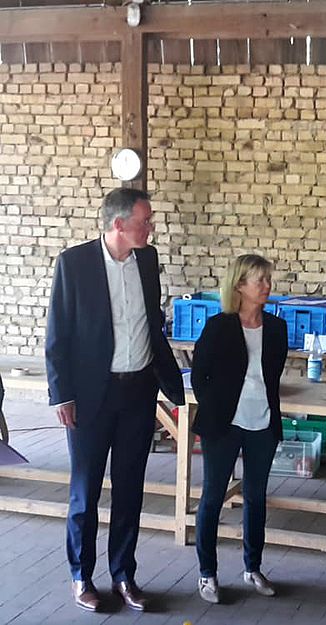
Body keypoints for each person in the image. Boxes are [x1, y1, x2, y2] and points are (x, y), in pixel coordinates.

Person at [45, 187, 185, 612]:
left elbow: (151, 321)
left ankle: (124, 574)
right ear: (119, 224)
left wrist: (167, 378)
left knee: (130, 488)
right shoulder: (74, 263)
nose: (152, 227)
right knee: (85, 490)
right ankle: (81, 576)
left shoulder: (148, 259)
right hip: (90, 395)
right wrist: (62, 395)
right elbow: (58, 333)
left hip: (138, 391)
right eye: (146, 221)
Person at [190, 254, 288, 605]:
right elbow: (199, 375)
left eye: (268, 279)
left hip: (263, 422)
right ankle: (207, 572)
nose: (267, 286)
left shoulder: (277, 328)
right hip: (224, 425)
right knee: (213, 496)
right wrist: (217, 406)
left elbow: (272, 374)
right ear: (240, 285)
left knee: (256, 497)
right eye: (259, 280)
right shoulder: (219, 326)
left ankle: (253, 567)